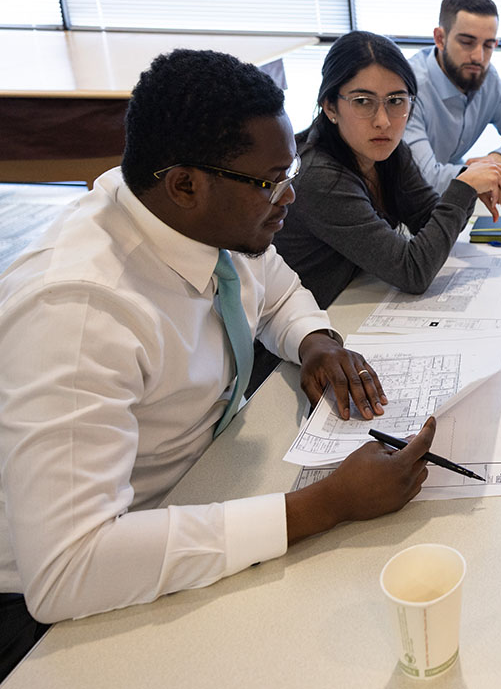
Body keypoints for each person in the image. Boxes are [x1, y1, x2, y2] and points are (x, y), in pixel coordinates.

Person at [0, 49, 439, 675]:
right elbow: (69, 569)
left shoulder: (215, 220)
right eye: (271, 181)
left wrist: (318, 342)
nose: (289, 195)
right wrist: (325, 505)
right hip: (61, 607)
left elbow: (278, 291)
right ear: (184, 184)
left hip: (205, 482)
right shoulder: (77, 310)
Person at [274, 31, 501, 308]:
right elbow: (412, 271)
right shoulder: (318, 176)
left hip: (346, 307)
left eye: (395, 101)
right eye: (362, 101)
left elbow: (427, 220)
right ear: (330, 106)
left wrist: (467, 190)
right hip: (297, 338)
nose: (383, 121)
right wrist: (463, 188)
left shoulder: (387, 152)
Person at [402, 0, 501, 193]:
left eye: (488, 45)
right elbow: (426, 179)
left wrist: (495, 161)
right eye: (467, 42)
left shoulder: (486, 78)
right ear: (440, 39)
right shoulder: (406, 90)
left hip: (453, 206)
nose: (478, 57)